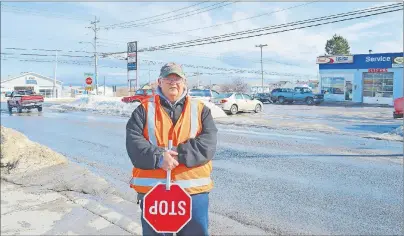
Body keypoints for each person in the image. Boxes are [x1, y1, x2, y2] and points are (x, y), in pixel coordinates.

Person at [126, 62, 218, 236]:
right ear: (159, 82)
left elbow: (208, 144)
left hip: (193, 193)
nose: (173, 82)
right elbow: (134, 143)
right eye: (168, 78)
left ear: (184, 82)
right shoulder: (143, 110)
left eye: (177, 78)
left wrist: (176, 157)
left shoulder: (200, 110)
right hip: (154, 193)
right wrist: (159, 158)